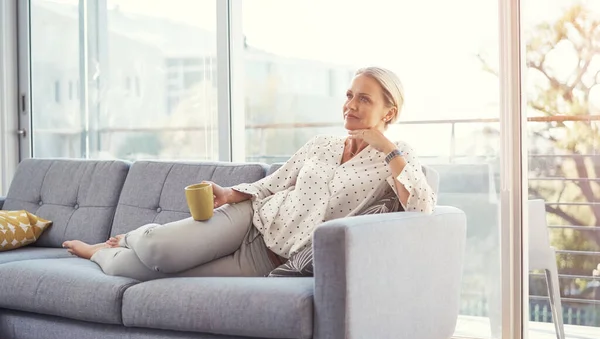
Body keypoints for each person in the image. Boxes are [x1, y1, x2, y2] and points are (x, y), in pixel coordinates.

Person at [63, 66, 437, 281]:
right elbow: (277, 182)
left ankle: (99, 253)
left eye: (364, 99)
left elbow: (420, 208)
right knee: (158, 248)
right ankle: (128, 237)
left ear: (389, 112)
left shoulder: (396, 159)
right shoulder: (322, 143)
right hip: (250, 219)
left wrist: (388, 148)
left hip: (269, 258)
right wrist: (230, 194)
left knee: (148, 273)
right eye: (349, 95)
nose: (350, 105)